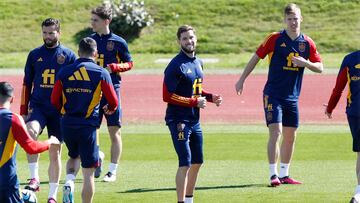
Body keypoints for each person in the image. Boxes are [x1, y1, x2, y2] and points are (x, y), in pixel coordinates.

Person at [235, 3, 323, 187]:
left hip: (292, 97)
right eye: (289, 19)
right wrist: (242, 79)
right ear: (284, 20)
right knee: (276, 132)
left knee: (291, 136)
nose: (293, 22)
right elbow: (256, 57)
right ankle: (273, 174)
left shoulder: (307, 43)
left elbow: (320, 67)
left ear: (301, 19)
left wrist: (305, 63)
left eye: (296, 18)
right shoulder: (274, 39)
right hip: (273, 94)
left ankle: (285, 174)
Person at [51, 37, 118, 203]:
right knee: (88, 171)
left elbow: (54, 99)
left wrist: (63, 111)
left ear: (78, 52)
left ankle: (69, 181)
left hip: (67, 123)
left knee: (73, 156)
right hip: (88, 126)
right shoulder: (101, 72)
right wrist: (110, 109)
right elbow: (114, 101)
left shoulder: (64, 71)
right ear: (95, 53)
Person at [163, 25, 222, 203]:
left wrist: (211, 97)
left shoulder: (198, 62)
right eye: (185, 39)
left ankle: (189, 200)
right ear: (179, 41)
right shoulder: (175, 65)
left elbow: (194, 89)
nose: (189, 41)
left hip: (194, 120)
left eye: (191, 37)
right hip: (178, 120)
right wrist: (194, 102)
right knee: (185, 162)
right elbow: (167, 96)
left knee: (198, 161)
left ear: (196, 38)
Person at [20, 18, 76, 202]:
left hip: (59, 111)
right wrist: (23, 109)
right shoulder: (35, 54)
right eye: (45, 33)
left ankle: (52, 196)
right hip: (38, 107)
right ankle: (34, 178)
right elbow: (27, 83)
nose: (47, 36)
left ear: (59, 33)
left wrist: (71, 109)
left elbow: (74, 85)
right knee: (30, 132)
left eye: (51, 33)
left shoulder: (68, 56)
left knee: (55, 150)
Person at [89, 5, 134, 182]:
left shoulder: (118, 42)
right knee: (92, 128)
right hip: (92, 91)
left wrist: (115, 67)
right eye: (92, 20)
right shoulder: (89, 41)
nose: (92, 23)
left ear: (106, 21)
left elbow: (129, 63)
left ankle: (112, 171)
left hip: (111, 90)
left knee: (114, 130)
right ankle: (96, 157)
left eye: (95, 20)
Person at [0, 81, 60, 203]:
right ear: (12, 99)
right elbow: (31, 147)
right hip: (6, 182)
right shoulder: (13, 119)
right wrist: (49, 142)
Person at [324, 50, 360, 203]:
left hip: (355, 113)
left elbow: (338, 88)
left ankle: (358, 194)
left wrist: (330, 107)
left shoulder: (350, 59)